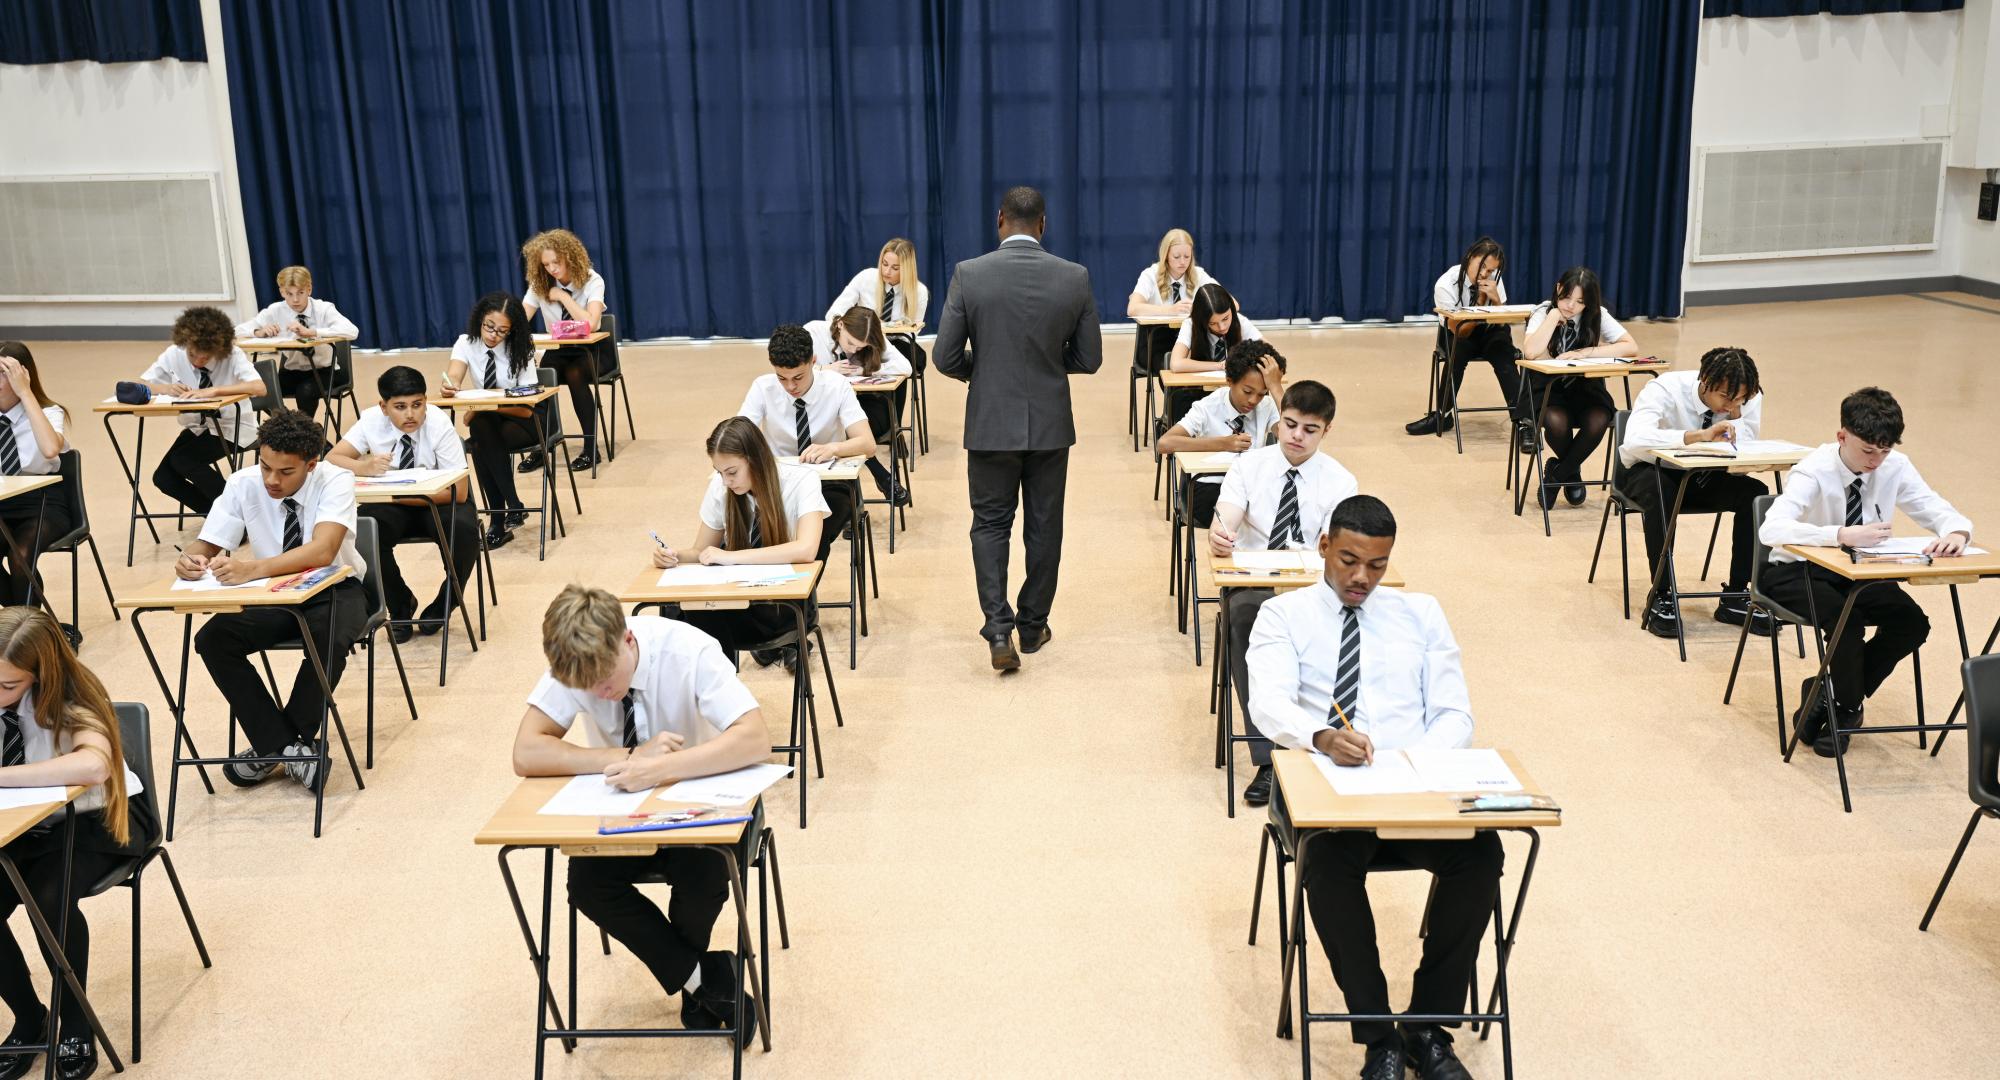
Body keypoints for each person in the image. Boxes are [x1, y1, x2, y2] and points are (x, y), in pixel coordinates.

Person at [1247, 495, 1500, 1080]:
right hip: (1324, 788)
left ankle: (1427, 1027)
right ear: (1324, 548)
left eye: (1377, 565)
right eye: (1349, 560)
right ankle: (1378, 1034)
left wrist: (1416, 765)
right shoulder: (1282, 616)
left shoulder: (1422, 613)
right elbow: (1268, 704)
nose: (1362, 577)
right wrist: (1320, 736)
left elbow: (1455, 714)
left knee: (1483, 853)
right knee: (1327, 862)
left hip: (1412, 787)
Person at [511, 584, 772, 1047]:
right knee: (586, 886)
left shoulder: (689, 650)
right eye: (585, 687)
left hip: (702, 803)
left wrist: (661, 768)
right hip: (622, 811)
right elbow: (527, 752)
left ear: (627, 640)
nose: (600, 694)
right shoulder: (576, 658)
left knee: (702, 881)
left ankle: (696, 984)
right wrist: (628, 754)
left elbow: (755, 738)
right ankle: (704, 979)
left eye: (606, 680)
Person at [933, 185, 1103, 671]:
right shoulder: (1074, 277)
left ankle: (998, 630)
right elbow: (1090, 358)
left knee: (990, 524)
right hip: (1050, 425)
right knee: (1045, 527)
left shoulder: (970, 274)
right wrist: (1049, 363)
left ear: (1000, 218)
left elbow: (944, 357)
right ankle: (1032, 627)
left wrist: (982, 372)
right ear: (1043, 224)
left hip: (989, 423)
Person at [1759, 387, 1972, 757]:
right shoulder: (1812, 470)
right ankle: (1847, 710)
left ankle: (1832, 696)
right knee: (1848, 621)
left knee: (1911, 623)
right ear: (1842, 437)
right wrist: (1838, 534)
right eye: (1868, 451)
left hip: (1858, 575)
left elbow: (1933, 506)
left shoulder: (1895, 465)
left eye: (1885, 450)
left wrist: (1956, 531)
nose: (1876, 461)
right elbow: (1771, 529)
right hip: (1797, 572)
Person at [178, 409, 369, 792]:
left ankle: (276, 747)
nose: (271, 479)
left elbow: (323, 550)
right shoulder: (242, 482)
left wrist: (254, 568)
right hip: (274, 594)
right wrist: (189, 559)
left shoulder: (336, 479)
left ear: (311, 464)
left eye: (285, 472)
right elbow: (208, 542)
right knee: (213, 639)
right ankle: (290, 748)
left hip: (335, 585)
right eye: (265, 466)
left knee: (327, 636)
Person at [0, 607, 152, 1080]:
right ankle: (29, 1018)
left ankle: (76, 1024)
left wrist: (5, 777)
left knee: (49, 897)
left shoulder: (73, 693)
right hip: (25, 824)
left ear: (42, 671)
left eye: (9, 686)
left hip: (102, 822)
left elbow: (92, 768)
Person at [1211, 380, 1358, 807]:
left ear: (1326, 431)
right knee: (1244, 620)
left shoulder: (1341, 481)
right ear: (1279, 422)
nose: (1296, 436)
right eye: (1290, 425)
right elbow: (1227, 519)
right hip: (1255, 582)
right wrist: (1220, 537)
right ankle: (1269, 759)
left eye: (1309, 430)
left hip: (1314, 588)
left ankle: (1330, 734)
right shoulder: (1249, 467)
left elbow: (1338, 550)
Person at [652, 417, 829, 671]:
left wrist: (731, 556)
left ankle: (722, 693)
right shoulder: (720, 487)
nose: (725, 481)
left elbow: (806, 549)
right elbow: (702, 551)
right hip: (735, 604)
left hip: (784, 607)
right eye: (719, 472)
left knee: (699, 617)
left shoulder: (802, 481)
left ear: (754, 459)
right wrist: (674, 556)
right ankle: (719, 693)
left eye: (732, 472)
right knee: (687, 608)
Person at [1617, 347, 1770, 640]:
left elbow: (1745, 448)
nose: (1732, 404)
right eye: (1726, 397)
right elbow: (1635, 440)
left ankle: (1737, 594)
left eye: (1741, 399)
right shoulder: (1664, 388)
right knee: (1661, 490)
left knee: (1756, 495)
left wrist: (1737, 415)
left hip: (1704, 477)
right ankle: (1662, 593)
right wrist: (1695, 437)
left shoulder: (1747, 397)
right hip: (1647, 472)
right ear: (1704, 380)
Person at [324, 366, 477, 641]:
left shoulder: (439, 423)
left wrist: (397, 491)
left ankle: (448, 601)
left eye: (417, 405)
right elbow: (333, 458)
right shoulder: (371, 419)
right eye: (400, 406)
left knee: (463, 528)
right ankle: (399, 603)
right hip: (394, 503)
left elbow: (460, 491)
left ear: (426, 402)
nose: (410, 414)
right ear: (384, 407)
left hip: (438, 499)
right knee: (362, 529)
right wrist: (364, 466)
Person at [736, 323, 873, 541]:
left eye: (798, 377)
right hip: (777, 484)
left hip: (828, 483)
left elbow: (867, 443)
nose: (790, 386)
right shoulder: (763, 388)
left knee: (815, 540)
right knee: (753, 536)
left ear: (814, 362)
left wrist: (832, 448)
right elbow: (737, 438)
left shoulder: (837, 386)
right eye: (782, 378)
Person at [1520, 266, 1638, 511]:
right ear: (1557, 289)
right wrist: (1553, 317)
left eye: (1579, 302)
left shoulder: (1598, 315)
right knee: (1555, 420)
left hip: (1585, 387)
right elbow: (1530, 351)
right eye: (1565, 297)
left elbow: (1630, 347)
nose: (1570, 306)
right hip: (1549, 388)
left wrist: (1585, 352)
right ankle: (1571, 473)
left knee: (1600, 418)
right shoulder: (1543, 312)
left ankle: (1556, 475)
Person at [1406, 237, 1533, 453]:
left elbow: (1501, 322)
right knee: (1457, 355)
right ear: (1469, 258)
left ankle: (1524, 423)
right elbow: (1461, 331)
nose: (1485, 274)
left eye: (1491, 270)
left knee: (1505, 359)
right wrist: (1481, 301)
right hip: (1458, 333)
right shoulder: (1446, 284)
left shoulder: (1495, 280)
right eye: (1482, 266)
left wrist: (1497, 303)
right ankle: (1443, 415)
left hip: (1491, 330)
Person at [441, 292, 542, 550]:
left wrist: (478, 408)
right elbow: (454, 374)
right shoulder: (465, 342)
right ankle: (513, 506)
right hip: (490, 423)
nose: (493, 335)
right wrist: (451, 386)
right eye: (489, 326)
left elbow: (527, 407)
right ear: (480, 320)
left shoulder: (522, 349)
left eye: (502, 331)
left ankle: (498, 520)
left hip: (526, 422)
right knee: (480, 437)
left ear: (512, 331)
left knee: (479, 434)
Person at [139, 305, 262, 517]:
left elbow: (259, 387)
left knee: (184, 460)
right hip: (198, 428)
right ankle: (219, 516)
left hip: (233, 427)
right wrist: (165, 388)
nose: (197, 362)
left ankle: (239, 516)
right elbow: (143, 385)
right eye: (193, 355)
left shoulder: (232, 355)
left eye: (205, 358)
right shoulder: (174, 353)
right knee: (163, 478)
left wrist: (214, 391)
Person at [1155, 340, 1286, 529]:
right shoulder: (1208, 406)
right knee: (1252, 516)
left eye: (1261, 394)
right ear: (1230, 381)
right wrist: (1223, 444)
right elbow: (1165, 443)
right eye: (1247, 391)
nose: (1253, 400)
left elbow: (1291, 434)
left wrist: (1276, 388)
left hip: (1252, 487)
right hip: (1211, 488)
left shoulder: (1266, 406)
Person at [0, 344, 77, 643]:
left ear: (22, 376)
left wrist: (26, 394)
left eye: (3, 374)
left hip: (44, 504)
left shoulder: (48, 412)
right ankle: (40, 631)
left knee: (20, 560)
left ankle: (27, 643)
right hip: (3, 505)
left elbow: (49, 449)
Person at [520, 228, 608, 473]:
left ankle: (591, 448)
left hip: (592, 351)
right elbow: (520, 317)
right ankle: (541, 446)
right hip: (559, 350)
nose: (552, 269)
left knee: (575, 375)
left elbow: (592, 324)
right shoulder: (539, 284)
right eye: (546, 264)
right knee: (538, 379)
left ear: (570, 256)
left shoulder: (592, 280)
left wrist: (562, 296)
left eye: (556, 262)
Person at [806, 307, 911, 505]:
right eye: (850, 343)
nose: (853, 350)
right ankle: (880, 477)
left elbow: (906, 367)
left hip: (860, 409)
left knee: (852, 432)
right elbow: (793, 369)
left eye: (860, 347)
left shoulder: (869, 335)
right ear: (840, 325)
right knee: (843, 434)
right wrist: (823, 369)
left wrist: (865, 370)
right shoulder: (814, 332)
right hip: (821, 415)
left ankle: (853, 510)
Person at [234, 265, 359, 426]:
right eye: (289, 294)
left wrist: (312, 332)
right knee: (261, 389)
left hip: (325, 372)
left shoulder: (323, 308)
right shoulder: (275, 310)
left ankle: (302, 432)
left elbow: (352, 331)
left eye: (300, 293)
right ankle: (296, 428)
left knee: (305, 391)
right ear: (281, 292)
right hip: (291, 372)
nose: (295, 300)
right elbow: (237, 331)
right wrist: (259, 331)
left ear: (309, 289)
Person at [824, 237, 930, 374]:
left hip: (896, 344)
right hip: (864, 342)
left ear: (907, 269)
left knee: (903, 356)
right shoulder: (865, 278)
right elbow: (833, 314)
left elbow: (912, 332)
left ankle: (887, 390)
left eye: (895, 268)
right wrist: (857, 327)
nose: (887, 271)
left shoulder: (919, 291)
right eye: (884, 264)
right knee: (867, 353)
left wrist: (884, 332)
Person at [1125, 228, 1213, 318]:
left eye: (1187, 257)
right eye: (1176, 257)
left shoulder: (1199, 274)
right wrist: (1170, 310)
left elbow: (1224, 299)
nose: (1182, 262)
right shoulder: (1150, 275)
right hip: (1156, 331)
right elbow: (1132, 308)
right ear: (1166, 256)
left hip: (1191, 331)